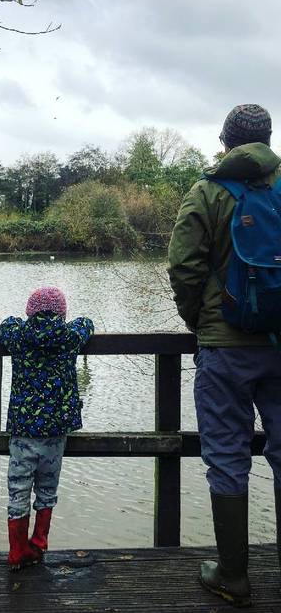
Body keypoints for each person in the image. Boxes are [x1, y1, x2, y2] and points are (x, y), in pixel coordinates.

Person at [168, 104, 281, 608]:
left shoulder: (207, 191)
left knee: (227, 459)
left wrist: (202, 324)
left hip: (224, 349)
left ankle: (233, 576)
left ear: (226, 141)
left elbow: (184, 267)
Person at [0, 285, 94, 570]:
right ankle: (38, 545)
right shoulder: (70, 337)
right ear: (62, 314)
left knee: (18, 490)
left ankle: (16, 552)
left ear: (30, 312)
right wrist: (73, 321)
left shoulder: (19, 336)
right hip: (55, 431)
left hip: (23, 431)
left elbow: (5, 325)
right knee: (47, 489)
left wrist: (19, 321)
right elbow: (87, 323)